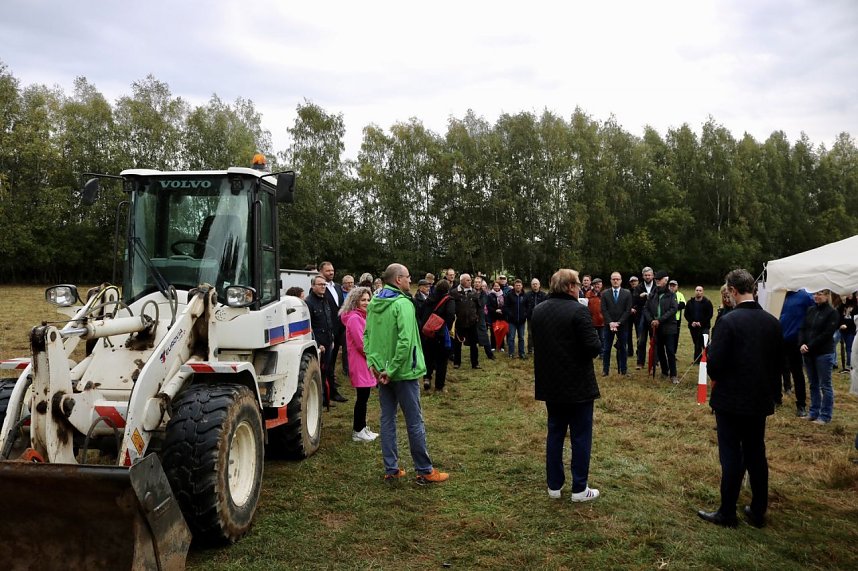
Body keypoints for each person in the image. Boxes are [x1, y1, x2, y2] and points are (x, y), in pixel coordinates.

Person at [697, 269, 783, 529]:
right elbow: (777, 365)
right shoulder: (772, 322)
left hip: (731, 402)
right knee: (756, 454)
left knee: (732, 456)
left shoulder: (730, 321)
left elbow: (715, 365)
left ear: (733, 291)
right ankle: (758, 511)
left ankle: (727, 512)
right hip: (759, 401)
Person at [364, 263, 449, 484]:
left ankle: (391, 469)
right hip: (402, 372)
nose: (410, 281)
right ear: (398, 279)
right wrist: (391, 369)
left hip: (383, 371)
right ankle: (424, 469)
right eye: (408, 277)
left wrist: (375, 365)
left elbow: (367, 337)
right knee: (414, 421)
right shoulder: (403, 304)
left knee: (387, 419)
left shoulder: (374, 302)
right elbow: (405, 341)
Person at [531, 268, 603, 502]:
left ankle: (554, 485)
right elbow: (594, 347)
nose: (580, 288)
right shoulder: (579, 311)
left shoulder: (538, 311)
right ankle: (580, 489)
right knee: (581, 436)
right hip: (578, 386)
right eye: (578, 285)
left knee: (555, 433)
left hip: (551, 384)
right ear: (571, 287)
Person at [339, 287, 378, 442]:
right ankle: (358, 430)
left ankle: (362, 427)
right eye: (363, 300)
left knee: (365, 397)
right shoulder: (355, 318)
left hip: (365, 362)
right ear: (355, 301)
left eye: (368, 300)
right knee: (362, 398)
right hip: (361, 363)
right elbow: (361, 344)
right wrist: (373, 356)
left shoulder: (363, 316)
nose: (366, 303)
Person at [798, 289, 839, 424]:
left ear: (827, 296)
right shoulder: (810, 310)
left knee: (825, 385)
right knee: (813, 384)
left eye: (820, 294)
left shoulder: (832, 313)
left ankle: (825, 415)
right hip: (808, 353)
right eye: (815, 294)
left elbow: (827, 333)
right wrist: (802, 343)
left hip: (823, 353)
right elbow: (803, 328)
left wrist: (810, 345)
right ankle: (814, 412)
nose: (816, 296)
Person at [779, 289, 814, 417]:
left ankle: (801, 404)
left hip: (795, 340)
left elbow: (813, 314)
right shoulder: (779, 294)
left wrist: (805, 334)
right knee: (775, 370)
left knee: (797, 372)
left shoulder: (804, 295)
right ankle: (776, 399)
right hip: (777, 338)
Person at [419, 279, 455, 392]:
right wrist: (446, 328)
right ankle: (439, 386)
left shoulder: (429, 299)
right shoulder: (449, 300)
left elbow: (421, 313)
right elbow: (450, 315)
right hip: (440, 334)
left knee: (428, 357)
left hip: (427, 333)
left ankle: (426, 378)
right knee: (441, 360)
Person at [306, 275, 337, 406]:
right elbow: (309, 326)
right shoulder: (309, 302)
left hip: (329, 341)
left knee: (327, 371)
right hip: (319, 344)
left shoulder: (325, 300)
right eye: (320, 284)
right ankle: (317, 400)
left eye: (324, 285)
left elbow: (329, 320)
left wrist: (332, 338)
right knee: (318, 373)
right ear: (313, 286)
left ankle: (325, 399)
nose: (323, 287)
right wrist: (318, 344)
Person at [643, 270, 679, 383]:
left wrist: (659, 320)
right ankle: (664, 371)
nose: (657, 281)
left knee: (670, 351)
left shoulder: (671, 295)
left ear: (666, 280)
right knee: (660, 351)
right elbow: (646, 308)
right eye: (656, 279)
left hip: (668, 327)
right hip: (656, 327)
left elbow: (673, 309)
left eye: (660, 279)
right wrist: (651, 320)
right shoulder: (653, 294)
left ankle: (673, 375)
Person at [320, 261, 347, 402]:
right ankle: (327, 393)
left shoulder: (337, 287)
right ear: (321, 272)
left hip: (339, 329)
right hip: (326, 330)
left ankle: (332, 389)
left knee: (333, 360)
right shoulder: (319, 288)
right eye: (328, 270)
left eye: (332, 270)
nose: (331, 272)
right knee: (327, 363)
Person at [601, 272, 632, 376]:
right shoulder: (605, 293)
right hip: (608, 325)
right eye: (613, 279)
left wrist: (618, 322)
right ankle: (605, 370)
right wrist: (610, 322)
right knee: (606, 348)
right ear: (610, 280)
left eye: (617, 279)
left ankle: (624, 370)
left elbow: (627, 310)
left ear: (621, 280)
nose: (615, 281)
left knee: (623, 347)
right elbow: (604, 310)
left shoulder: (627, 293)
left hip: (622, 325)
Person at [451, 273, 481, 369]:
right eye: (467, 280)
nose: (470, 281)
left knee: (474, 344)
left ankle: (475, 363)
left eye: (470, 280)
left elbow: (479, 306)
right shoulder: (454, 292)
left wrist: (477, 317)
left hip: (472, 322)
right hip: (459, 322)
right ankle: (457, 363)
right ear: (462, 281)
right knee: (457, 344)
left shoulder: (474, 293)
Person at [634, 267, 656, 369]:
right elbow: (634, 300)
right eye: (646, 275)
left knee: (654, 339)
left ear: (653, 276)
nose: (648, 277)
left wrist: (649, 296)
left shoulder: (657, 286)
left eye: (649, 275)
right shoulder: (638, 287)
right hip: (641, 317)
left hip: (653, 316)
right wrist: (640, 297)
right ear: (643, 276)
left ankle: (655, 361)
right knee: (641, 340)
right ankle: (640, 362)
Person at [685, 286, 714, 363]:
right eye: (697, 290)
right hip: (693, 327)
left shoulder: (707, 302)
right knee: (696, 343)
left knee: (705, 343)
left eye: (700, 290)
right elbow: (686, 314)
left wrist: (701, 323)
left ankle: (708, 359)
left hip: (704, 326)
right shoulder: (690, 303)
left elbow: (710, 315)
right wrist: (692, 322)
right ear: (695, 291)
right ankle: (697, 360)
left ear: (703, 292)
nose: (698, 292)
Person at [504, 279, 528, 359]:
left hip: (521, 321)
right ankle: (511, 353)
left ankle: (522, 353)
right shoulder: (509, 295)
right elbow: (506, 307)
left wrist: (525, 315)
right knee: (511, 338)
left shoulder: (525, 295)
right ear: (514, 286)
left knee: (521, 337)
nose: (518, 287)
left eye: (519, 285)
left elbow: (528, 307)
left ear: (522, 286)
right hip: (512, 321)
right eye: (516, 285)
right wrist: (510, 314)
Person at [473, 276, 495, 360]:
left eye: (479, 282)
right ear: (473, 283)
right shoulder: (470, 292)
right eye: (476, 282)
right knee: (473, 339)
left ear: (481, 283)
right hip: (472, 318)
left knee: (485, 336)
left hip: (481, 317)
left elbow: (482, 304)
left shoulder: (484, 294)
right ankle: (474, 358)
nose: (477, 283)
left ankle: (490, 354)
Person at [525, 278, 547, 354]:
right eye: (533, 284)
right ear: (531, 285)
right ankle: (530, 350)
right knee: (530, 334)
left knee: (540, 333)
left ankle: (539, 348)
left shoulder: (544, 295)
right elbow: (524, 305)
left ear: (539, 285)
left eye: (536, 284)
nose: (535, 285)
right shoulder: (527, 295)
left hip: (541, 318)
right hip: (530, 317)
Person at [487, 281, 508, 351]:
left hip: (502, 316)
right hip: (493, 316)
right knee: (493, 331)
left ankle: (501, 346)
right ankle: (493, 346)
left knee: (501, 331)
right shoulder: (490, 295)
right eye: (495, 286)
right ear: (493, 287)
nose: (496, 287)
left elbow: (506, 305)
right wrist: (495, 310)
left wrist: (502, 310)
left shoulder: (503, 295)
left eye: (498, 286)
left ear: (500, 286)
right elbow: (488, 306)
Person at [669, 280, 686, 355]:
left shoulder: (680, 295)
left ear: (677, 287)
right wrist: (676, 306)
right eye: (671, 286)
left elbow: (683, 305)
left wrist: (673, 307)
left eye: (674, 286)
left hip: (676, 319)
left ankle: (673, 353)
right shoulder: (666, 294)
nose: (672, 287)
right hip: (667, 319)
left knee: (675, 337)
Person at [586, 278, 605, 345]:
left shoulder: (604, 294)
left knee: (602, 338)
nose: (597, 286)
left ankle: (602, 353)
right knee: (592, 338)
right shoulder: (588, 294)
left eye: (598, 284)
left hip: (602, 321)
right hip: (591, 321)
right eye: (595, 284)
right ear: (592, 285)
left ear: (601, 285)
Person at [625, 276, 639, 360]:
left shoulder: (641, 291)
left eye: (635, 281)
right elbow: (625, 302)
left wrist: (635, 308)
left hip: (638, 314)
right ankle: (630, 351)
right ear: (630, 283)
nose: (633, 283)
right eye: (632, 281)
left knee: (639, 333)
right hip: (628, 314)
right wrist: (630, 309)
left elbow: (642, 302)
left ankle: (639, 351)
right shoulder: (627, 292)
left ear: (638, 281)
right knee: (628, 333)